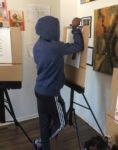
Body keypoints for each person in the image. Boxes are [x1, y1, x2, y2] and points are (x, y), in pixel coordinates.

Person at [33, 16, 83, 150]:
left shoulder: (37, 45)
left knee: (44, 122)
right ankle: (41, 142)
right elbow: (78, 46)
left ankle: (43, 145)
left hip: (39, 90)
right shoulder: (56, 47)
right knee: (61, 122)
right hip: (50, 93)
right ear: (52, 30)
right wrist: (75, 28)